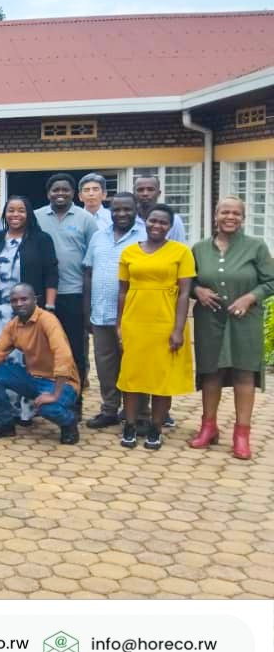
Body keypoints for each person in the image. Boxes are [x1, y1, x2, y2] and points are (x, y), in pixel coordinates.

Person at [189, 197, 274, 460]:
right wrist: (198, 290)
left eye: (236, 213)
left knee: (243, 374)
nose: (230, 217)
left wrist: (250, 298)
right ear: (216, 215)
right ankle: (208, 427)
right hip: (209, 319)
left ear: (243, 218)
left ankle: (242, 434)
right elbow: (187, 280)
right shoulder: (199, 248)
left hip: (244, 320)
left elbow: (271, 281)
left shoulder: (256, 246)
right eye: (225, 212)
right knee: (211, 373)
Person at [117, 204, 195, 451]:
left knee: (162, 378)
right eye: (153, 221)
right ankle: (130, 425)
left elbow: (185, 293)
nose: (157, 226)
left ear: (170, 226)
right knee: (131, 376)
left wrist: (178, 329)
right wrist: (119, 325)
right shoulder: (130, 252)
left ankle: (155, 428)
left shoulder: (181, 252)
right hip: (134, 322)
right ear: (145, 222)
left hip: (165, 322)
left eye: (163, 222)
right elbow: (122, 291)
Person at [0, 283, 81, 444]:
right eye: (14, 300)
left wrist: (54, 394)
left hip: (62, 383)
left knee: (47, 408)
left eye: (24, 299)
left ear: (35, 300)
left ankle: (69, 422)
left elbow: (63, 356)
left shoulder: (48, 320)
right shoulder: (14, 325)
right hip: (33, 378)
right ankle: (4, 423)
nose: (19, 304)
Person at [81, 193, 146, 429]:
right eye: (116, 209)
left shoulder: (145, 236)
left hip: (134, 315)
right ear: (110, 211)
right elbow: (88, 273)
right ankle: (109, 409)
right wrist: (86, 308)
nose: (121, 214)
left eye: (127, 209)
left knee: (135, 365)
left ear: (136, 209)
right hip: (101, 313)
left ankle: (140, 414)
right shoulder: (99, 236)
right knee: (105, 365)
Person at [34, 173, 99, 382]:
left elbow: (94, 256)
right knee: (44, 345)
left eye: (65, 190)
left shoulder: (86, 219)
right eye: (56, 190)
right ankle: (48, 388)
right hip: (43, 293)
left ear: (73, 193)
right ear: (48, 194)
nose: (60, 193)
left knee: (74, 345)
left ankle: (75, 391)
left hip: (74, 292)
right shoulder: (36, 217)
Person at [0, 195, 58, 335]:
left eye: (21, 211)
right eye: (11, 210)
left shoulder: (41, 239)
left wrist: (49, 306)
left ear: (29, 214)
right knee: (2, 343)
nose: (15, 214)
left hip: (30, 308)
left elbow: (51, 274)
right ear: (5, 214)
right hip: (0, 309)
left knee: (29, 343)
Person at [135, 175, 187, 242]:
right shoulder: (129, 220)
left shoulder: (174, 219)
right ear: (135, 193)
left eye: (150, 189)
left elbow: (179, 246)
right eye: (140, 190)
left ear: (158, 193)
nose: (145, 193)